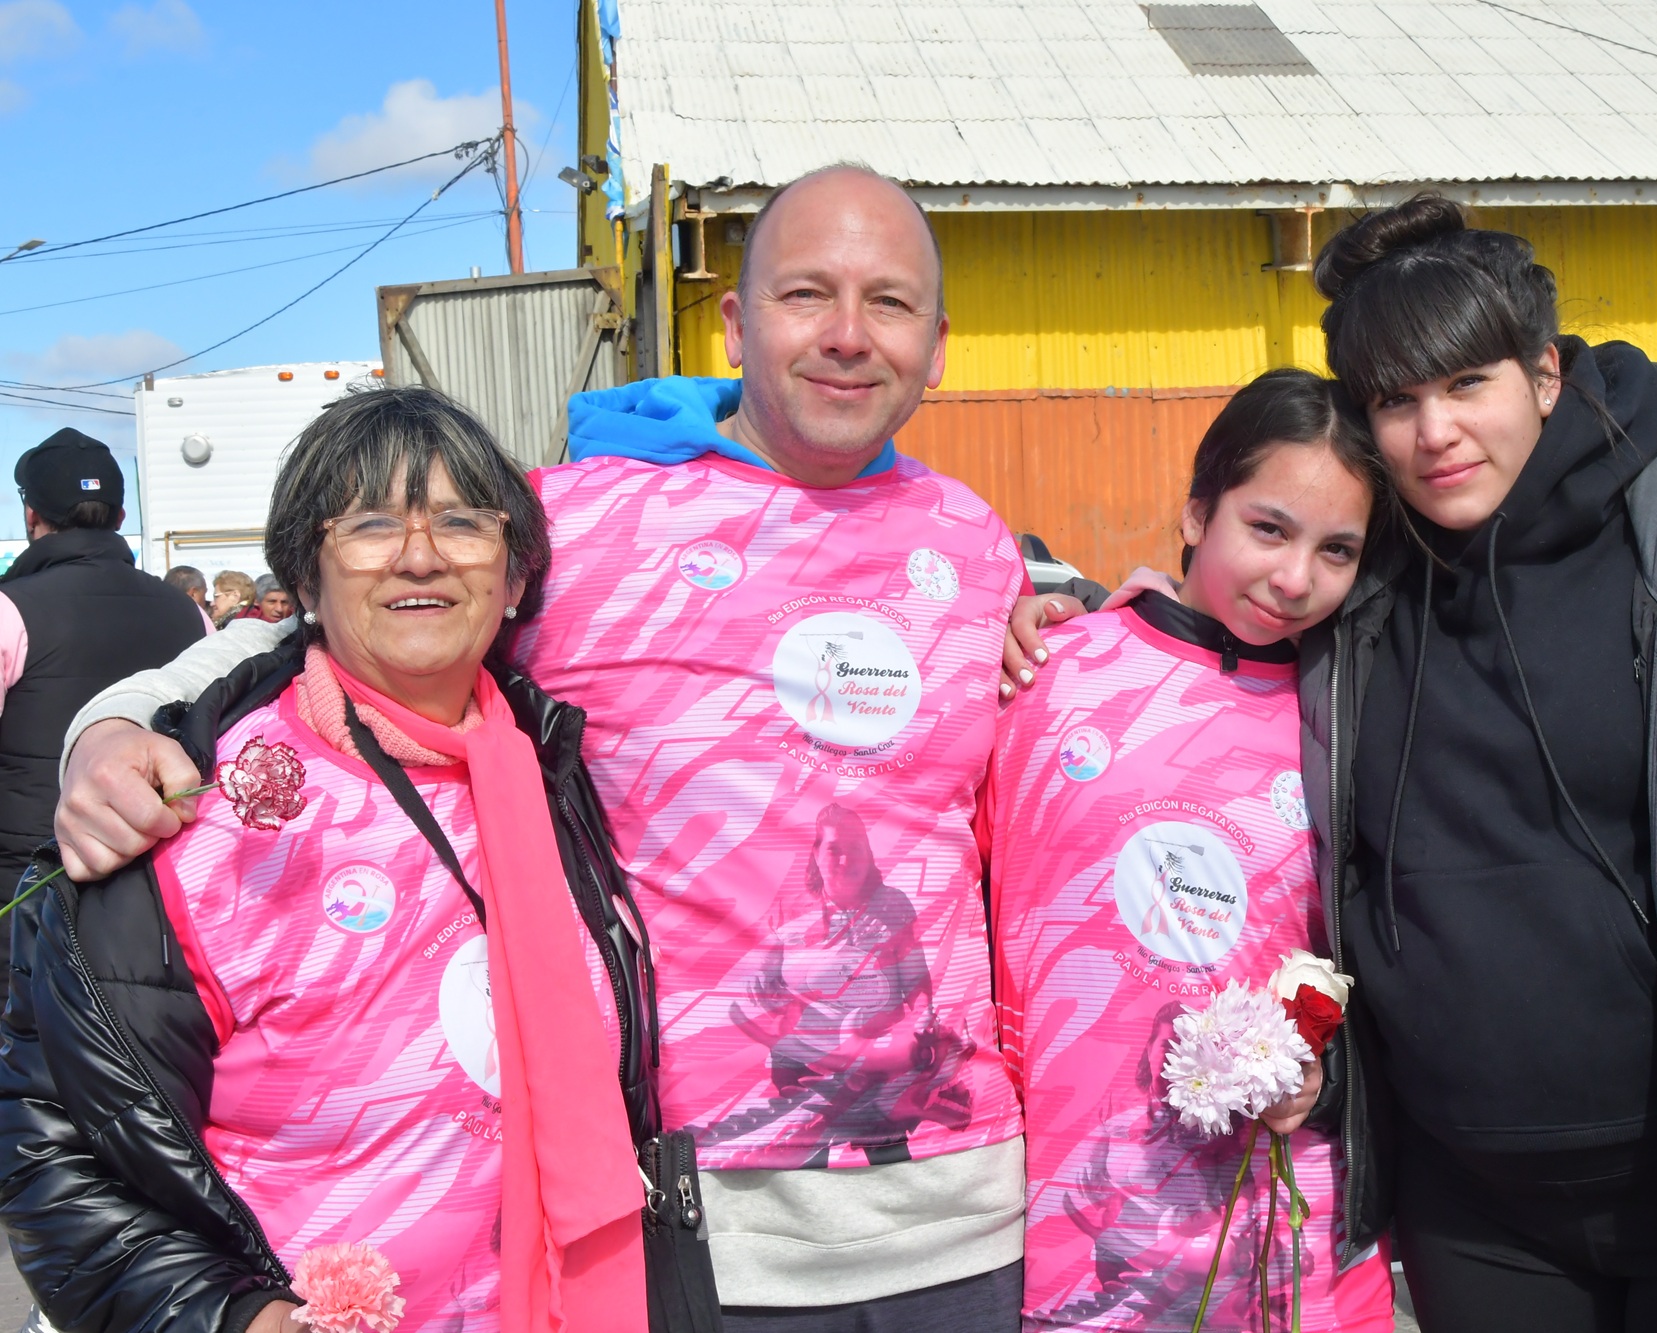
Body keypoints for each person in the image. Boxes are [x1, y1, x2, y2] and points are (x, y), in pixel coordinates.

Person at [53, 164, 1032, 1331]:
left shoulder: (971, 542)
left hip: (963, 1211)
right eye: (804, 294)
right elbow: (355, 618)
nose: (845, 336)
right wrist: (114, 721)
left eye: (888, 303)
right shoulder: (583, 520)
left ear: (938, 342)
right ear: (733, 322)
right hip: (704, 1226)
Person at [1010, 197, 1657, 1333]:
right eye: (1394, 400)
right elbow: (1222, 633)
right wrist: (1054, 617)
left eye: (1466, 383)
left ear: (1544, 373)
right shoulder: (1367, 588)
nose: (1434, 433)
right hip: (1475, 1218)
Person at [0, 387, 652, 1333]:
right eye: (373, 524)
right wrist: (235, 1317)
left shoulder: (569, 769)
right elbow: (49, 1142)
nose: (421, 554)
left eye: (464, 522)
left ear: (514, 578)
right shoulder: (202, 808)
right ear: (305, 578)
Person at [984, 369, 1395, 1332]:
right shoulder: (1052, 674)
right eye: (1268, 528)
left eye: (1337, 550)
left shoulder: (1350, 715)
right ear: (1198, 509)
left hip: (1296, 1235)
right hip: (1073, 1223)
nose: (1296, 578)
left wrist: (1327, 1079)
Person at [0, 429, 208, 967]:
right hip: (160, 897)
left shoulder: (9, 610)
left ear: (30, 517)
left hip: (29, 897)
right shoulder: (192, 614)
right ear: (119, 517)